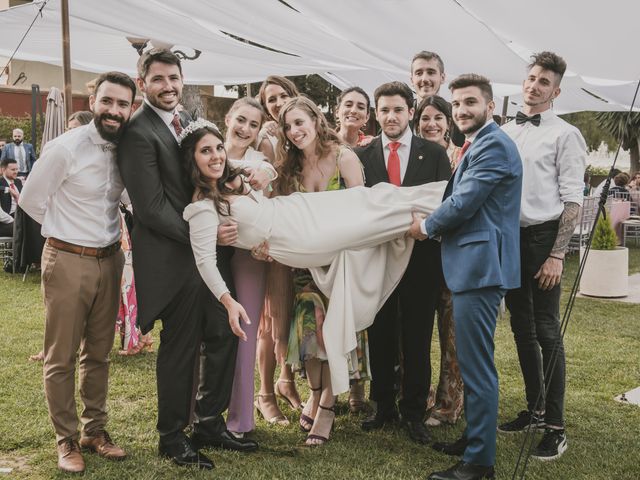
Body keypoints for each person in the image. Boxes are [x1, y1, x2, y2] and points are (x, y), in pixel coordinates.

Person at [181, 119, 446, 404]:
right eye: (205, 151)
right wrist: (227, 300)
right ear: (192, 160)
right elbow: (205, 261)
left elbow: (266, 168)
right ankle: (448, 210)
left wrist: (260, 171)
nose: (216, 156)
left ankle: (448, 195)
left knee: (375, 198)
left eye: (218, 148)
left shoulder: (228, 175)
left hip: (296, 208)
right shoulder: (201, 208)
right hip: (298, 237)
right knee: (376, 222)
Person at [116, 48, 257, 471]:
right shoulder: (138, 131)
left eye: (173, 78)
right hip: (173, 261)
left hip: (207, 259)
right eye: (158, 79)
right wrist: (205, 236)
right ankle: (172, 436)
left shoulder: (181, 122)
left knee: (224, 334)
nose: (168, 86)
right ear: (143, 84)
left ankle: (209, 423)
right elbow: (151, 207)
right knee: (180, 349)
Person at [19, 71, 136, 474]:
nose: (114, 110)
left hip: (110, 259)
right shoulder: (64, 147)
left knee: (99, 354)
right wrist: (63, 234)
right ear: (93, 102)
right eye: (108, 101)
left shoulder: (126, 150)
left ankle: (94, 432)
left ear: (131, 109)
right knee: (61, 356)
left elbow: (126, 198)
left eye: (123, 104)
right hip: (67, 259)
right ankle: (65, 439)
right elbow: (32, 202)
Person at [409, 73, 522, 480]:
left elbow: (465, 201)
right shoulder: (480, 143)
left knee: (477, 368)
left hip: (481, 268)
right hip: (474, 266)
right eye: (456, 105)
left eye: (469, 103)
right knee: (474, 362)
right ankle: (474, 439)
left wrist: (424, 227)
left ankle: (479, 464)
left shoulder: (493, 144)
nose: (460, 111)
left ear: (490, 106)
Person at [500, 52, 587, 462]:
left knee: (547, 330)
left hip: (543, 238)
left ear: (556, 90)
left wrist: (556, 253)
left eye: (543, 81)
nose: (534, 85)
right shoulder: (507, 130)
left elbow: (574, 200)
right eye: (531, 78)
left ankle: (556, 427)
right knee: (521, 328)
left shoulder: (566, 134)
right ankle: (534, 410)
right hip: (509, 238)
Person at [355, 81, 451, 445]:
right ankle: (383, 407)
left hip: (421, 260)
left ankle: (413, 413)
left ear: (411, 112)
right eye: (384, 110)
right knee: (379, 333)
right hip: (377, 259)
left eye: (398, 109)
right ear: (375, 115)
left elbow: (444, 204)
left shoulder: (435, 153)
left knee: (416, 337)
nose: (391, 116)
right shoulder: (361, 156)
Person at [273, 96, 367, 444]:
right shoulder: (290, 167)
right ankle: (314, 393)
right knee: (310, 331)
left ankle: (327, 406)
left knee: (336, 333)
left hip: (342, 262)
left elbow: (363, 210)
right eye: (288, 126)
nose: (294, 131)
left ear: (315, 118)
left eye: (299, 122)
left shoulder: (344, 157)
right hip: (306, 264)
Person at [222, 97, 278, 436]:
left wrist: (265, 172)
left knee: (245, 331)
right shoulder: (208, 150)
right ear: (228, 118)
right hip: (209, 251)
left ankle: (241, 418)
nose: (245, 128)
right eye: (240, 120)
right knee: (207, 333)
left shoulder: (260, 162)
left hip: (249, 256)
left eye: (253, 125)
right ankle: (198, 410)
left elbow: (269, 192)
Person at [255, 75, 304, 420]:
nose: (276, 103)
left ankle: (287, 380)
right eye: (270, 99)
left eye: (282, 95)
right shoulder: (266, 141)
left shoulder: (296, 135)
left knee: (289, 313)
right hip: (272, 237)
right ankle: (265, 392)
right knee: (271, 318)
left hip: (298, 237)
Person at [413, 95, 464, 428]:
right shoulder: (414, 156)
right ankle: (423, 393)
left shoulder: (462, 156)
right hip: (418, 255)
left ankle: (450, 401)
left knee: (452, 333)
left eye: (438, 118)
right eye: (425, 118)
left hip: (453, 257)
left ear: (449, 122)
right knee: (416, 332)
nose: (431, 124)